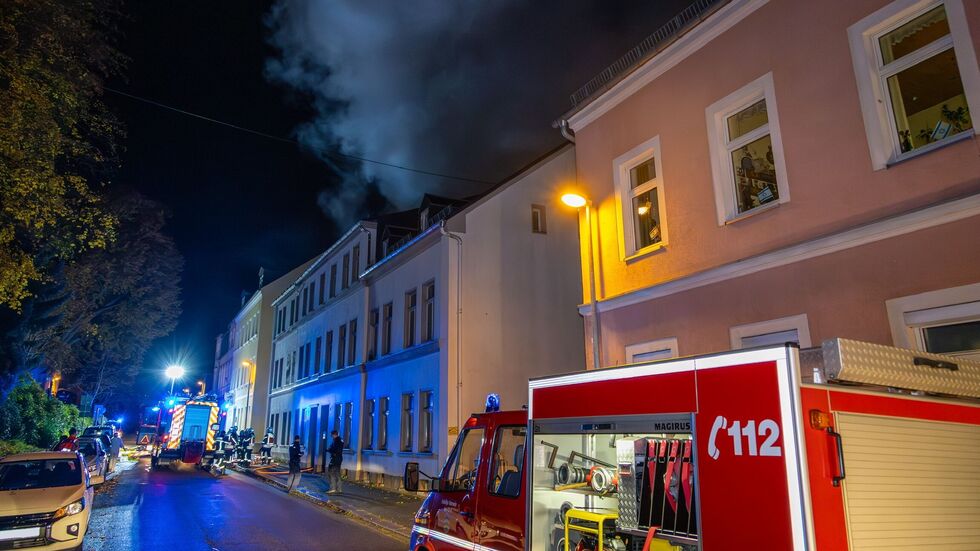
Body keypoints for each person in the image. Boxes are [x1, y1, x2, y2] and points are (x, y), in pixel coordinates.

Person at [326, 430, 344, 494]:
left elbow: (335, 449)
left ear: (334, 435)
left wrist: (329, 450)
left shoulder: (336, 440)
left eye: (331, 435)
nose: (331, 436)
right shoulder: (341, 440)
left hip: (335, 458)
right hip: (339, 458)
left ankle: (332, 488)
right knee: (337, 473)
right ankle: (339, 489)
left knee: (331, 472)